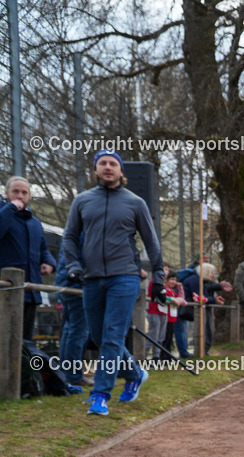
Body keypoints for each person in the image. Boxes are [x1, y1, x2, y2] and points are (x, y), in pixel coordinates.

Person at [61, 150, 163, 416]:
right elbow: (69, 237)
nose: (108, 167)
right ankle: (135, 374)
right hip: (92, 277)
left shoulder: (135, 202)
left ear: (121, 171)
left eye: (113, 163)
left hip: (125, 276)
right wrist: (73, 266)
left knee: (112, 335)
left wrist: (159, 277)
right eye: (102, 163)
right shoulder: (82, 201)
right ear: (95, 170)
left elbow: (151, 242)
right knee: (98, 336)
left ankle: (100, 395)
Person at [1, 176, 57, 340]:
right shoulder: (4, 214)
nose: (20, 196)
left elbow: (42, 248)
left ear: (29, 196)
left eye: (24, 192)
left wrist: (49, 263)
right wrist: (10, 208)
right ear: (6, 193)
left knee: (24, 340)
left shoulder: (35, 223)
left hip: (31, 290)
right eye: (15, 191)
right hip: (7, 290)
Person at [54, 250, 91, 386]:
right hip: (77, 283)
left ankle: (65, 373)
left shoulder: (71, 232)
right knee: (78, 331)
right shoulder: (84, 230)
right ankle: (73, 375)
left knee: (70, 329)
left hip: (65, 282)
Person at [145, 266, 171, 360]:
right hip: (154, 311)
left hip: (163, 312)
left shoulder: (165, 284)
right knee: (153, 336)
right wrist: (170, 299)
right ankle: (143, 356)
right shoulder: (155, 282)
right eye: (164, 269)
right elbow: (161, 296)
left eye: (168, 269)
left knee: (161, 337)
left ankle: (156, 356)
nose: (166, 271)